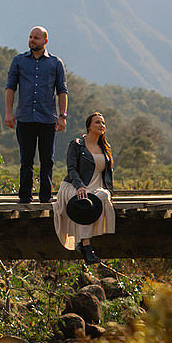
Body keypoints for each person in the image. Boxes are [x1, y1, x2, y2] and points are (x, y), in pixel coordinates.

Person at [4, 26, 68, 203]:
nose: (32, 40)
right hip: (25, 117)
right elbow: (10, 88)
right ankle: (25, 197)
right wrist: (9, 113)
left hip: (48, 119)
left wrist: (63, 116)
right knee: (26, 159)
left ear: (45, 41)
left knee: (47, 160)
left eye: (36, 38)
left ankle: (45, 197)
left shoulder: (55, 63)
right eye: (31, 37)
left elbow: (62, 91)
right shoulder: (19, 61)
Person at [54, 112, 116, 262]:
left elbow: (107, 174)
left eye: (103, 123)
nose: (102, 125)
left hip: (97, 187)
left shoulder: (104, 147)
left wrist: (110, 190)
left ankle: (83, 245)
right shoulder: (76, 144)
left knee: (102, 196)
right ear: (89, 126)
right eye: (97, 122)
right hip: (74, 186)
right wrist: (80, 186)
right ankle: (86, 246)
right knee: (84, 201)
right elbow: (72, 169)